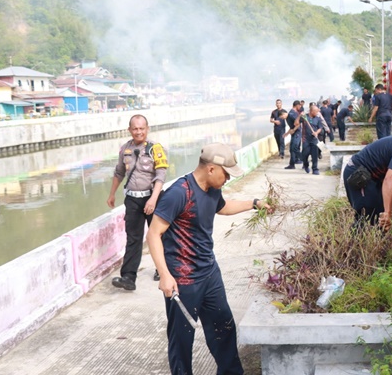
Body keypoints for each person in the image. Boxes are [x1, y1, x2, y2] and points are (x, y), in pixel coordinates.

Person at [147, 143, 273, 375]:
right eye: (226, 173)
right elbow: (154, 234)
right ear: (212, 169)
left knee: (224, 329)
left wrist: (254, 204)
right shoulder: (178, 193)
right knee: (181, 341)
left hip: (209, 273)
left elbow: (222, 207)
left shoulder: (213, 189)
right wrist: (164, 275)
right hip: (183, 280)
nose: (228, 179)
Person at [107, 114, 168, 290]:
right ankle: (128, 277)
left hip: (153, 198)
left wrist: (154, 199)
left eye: (142, 128)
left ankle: (162, 269)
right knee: (133, 238)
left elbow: (161, 175)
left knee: (158, 235)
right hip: (133, 199)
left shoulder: (155, 148)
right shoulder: (125, 149)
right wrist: (112, 194)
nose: (138, 132)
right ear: (129, 130)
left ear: (147, 129)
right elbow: (119, 173)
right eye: (135, 128)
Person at [301, 103, 325, 175]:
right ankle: (305, 165)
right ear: (311, 111)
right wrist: (299, 116)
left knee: (315, 154)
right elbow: (296, 123)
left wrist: (316, 132)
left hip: (314, 139)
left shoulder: (317, 118)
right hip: (306, 139)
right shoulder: (305, 117)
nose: (317, 113)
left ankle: (315, 169)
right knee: (305, 154)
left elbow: (320, 127)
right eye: (316, 111)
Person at [284, 100, 303, 169]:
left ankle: (302, 159)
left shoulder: (294, 113)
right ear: (297, 105)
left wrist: (293, 130)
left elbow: (297, 124)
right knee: (293, 149)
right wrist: (288, 133)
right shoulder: (293, 114)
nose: (300, 107)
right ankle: (294, 162)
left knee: (294, 148)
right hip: (296, 133)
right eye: (300, 106)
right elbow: (295, 124)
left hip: (297, 133)